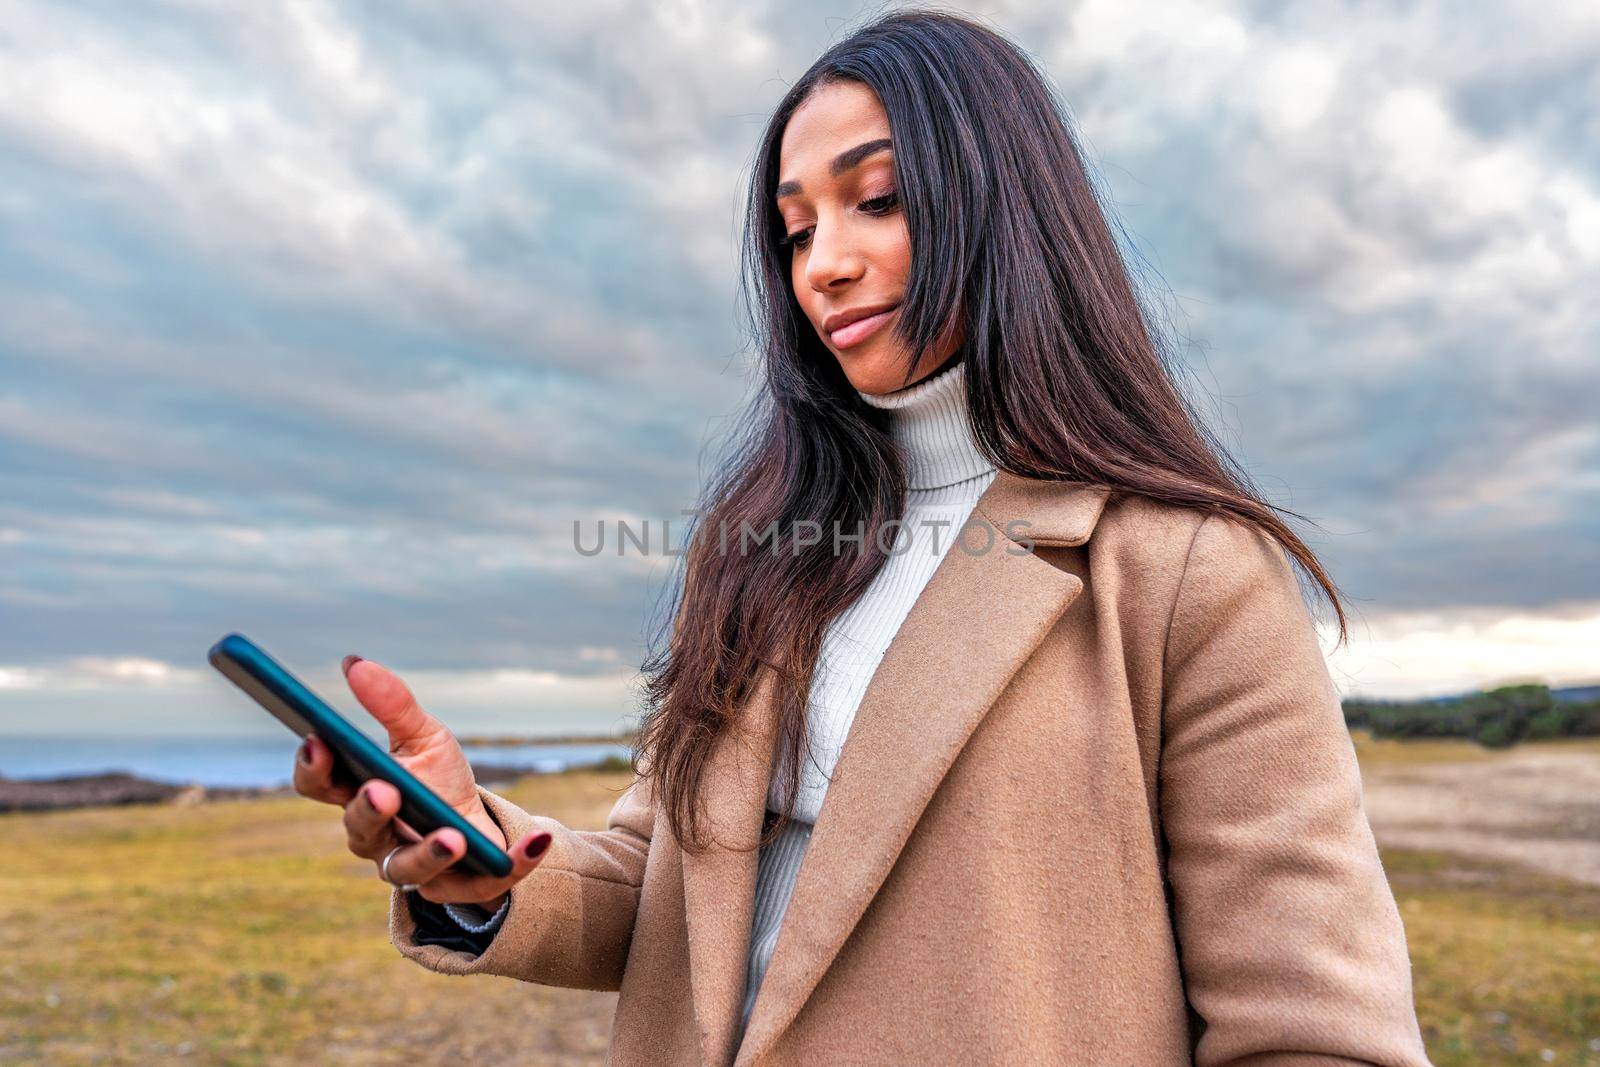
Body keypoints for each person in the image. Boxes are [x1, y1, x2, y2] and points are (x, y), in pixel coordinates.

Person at [293, 10, 1434, 1066]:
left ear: (1007, 206)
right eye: (794, 230)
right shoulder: (757, 550)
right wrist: (483, 859)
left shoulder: (1184, 571)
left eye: (875, 201)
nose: (821, 265)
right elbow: (662, 888)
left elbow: (1314, 1020)